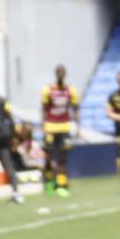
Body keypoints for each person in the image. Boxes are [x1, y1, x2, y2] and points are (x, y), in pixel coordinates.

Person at [41, 65, 79, 198]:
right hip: (51, 126)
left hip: (64, 127)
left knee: (63, 157)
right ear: (56, 74)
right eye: (59, 72)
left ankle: (61, 184)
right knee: (49, 156)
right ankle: (49, 182)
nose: (61, 74)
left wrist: (77, 127)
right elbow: (44, 109)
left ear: (66, 74)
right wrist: (44, 127)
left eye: (63, 72)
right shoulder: (48, 90)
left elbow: (75, 109)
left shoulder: (71, 90)